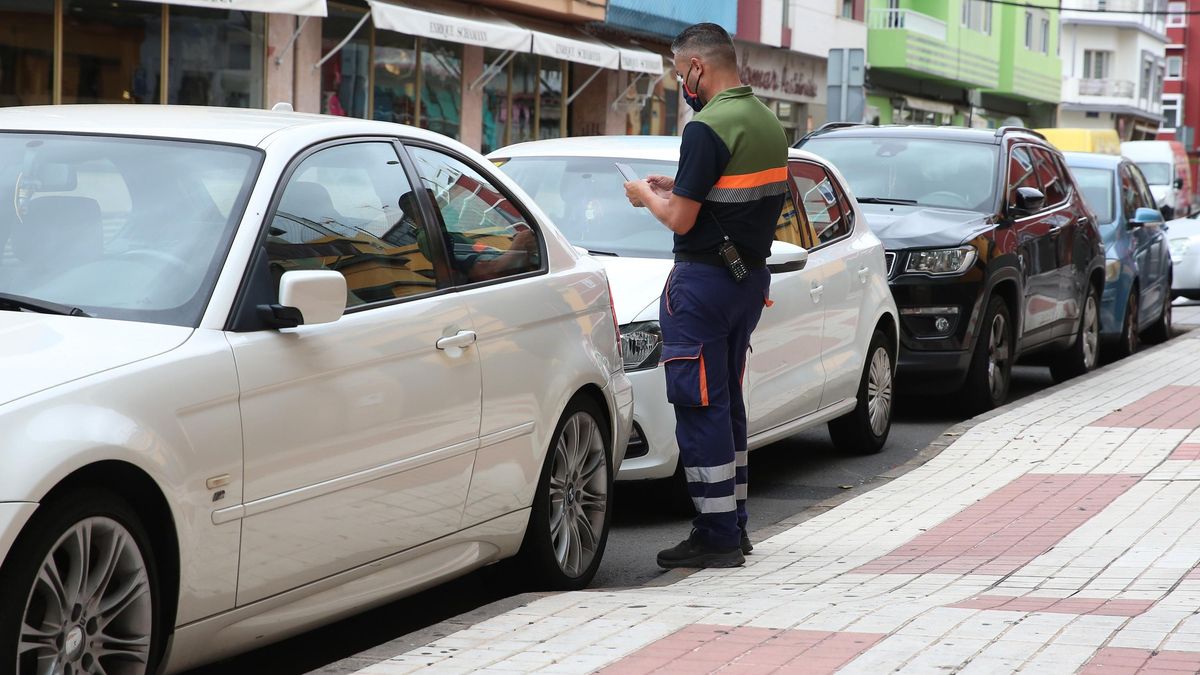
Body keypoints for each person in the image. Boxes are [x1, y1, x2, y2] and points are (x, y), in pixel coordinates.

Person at [624, 22, 788, 569]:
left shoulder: (706, 127)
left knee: (698, 405)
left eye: (679, 73)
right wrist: (679, 187)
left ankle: (714, 534)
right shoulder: (767, 123)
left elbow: (681, 216)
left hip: (702, 285)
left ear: (697, 66)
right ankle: (733, 525)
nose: (680, 84)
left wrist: (646, 195)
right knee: (726, 403)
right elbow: (729, 197)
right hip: (746, 282)